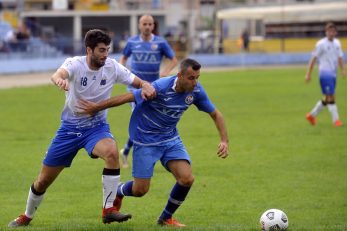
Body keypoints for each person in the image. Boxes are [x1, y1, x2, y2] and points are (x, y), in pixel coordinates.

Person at [8, 29, 155, 228]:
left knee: (112, 152)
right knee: (43, 181)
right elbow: (58, 74)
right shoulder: (75, 64)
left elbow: (138, 82)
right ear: (89, 50)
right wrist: (59, 80)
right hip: (69, 129)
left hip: (96, 128)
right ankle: (26, 216)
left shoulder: (112, 67)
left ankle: (109, 210)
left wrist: (146, 85)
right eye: (101, 50)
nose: (105, 54)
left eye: (107, 50)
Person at [77, 58, 229, 227]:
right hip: (145, 141)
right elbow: (127, 98)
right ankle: (119, 190)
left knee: (186, 179)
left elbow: (216, 114)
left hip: (170, 139)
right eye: (191, 78)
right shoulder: (159, 88)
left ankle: (165, 218)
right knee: (140, 190)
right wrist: (96, 107)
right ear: (179, 76)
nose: (195, 82)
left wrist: (224, 140)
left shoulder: (197, 92)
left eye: (197, 77)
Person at [119, 14, 178, 168]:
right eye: (144, 24)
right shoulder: (132, 42)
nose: (147, 26)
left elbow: (173, 59)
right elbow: (123, 59)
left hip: (153, 88)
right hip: (136, 88)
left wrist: (165, 72)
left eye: (150, 24)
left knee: (149, 122)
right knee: (140, 121)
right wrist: (124, 72)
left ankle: (126, 151)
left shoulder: (160, 42)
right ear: (139, 25)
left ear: (153, 26)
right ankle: (142, 157)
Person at [305, 22, 345, 127]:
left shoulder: (337, 43)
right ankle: (336, 121)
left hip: (333, 74)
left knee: (327, 98)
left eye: (332, 31)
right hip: (324, 73)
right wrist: (308, 74)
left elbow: (340, 57)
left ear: (335, 32)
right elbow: (313, 59)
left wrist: (342, 70)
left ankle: (311, 115)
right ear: (326, 32)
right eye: (328, 31)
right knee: (331, 96)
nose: (330, 33)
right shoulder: (321, 44)